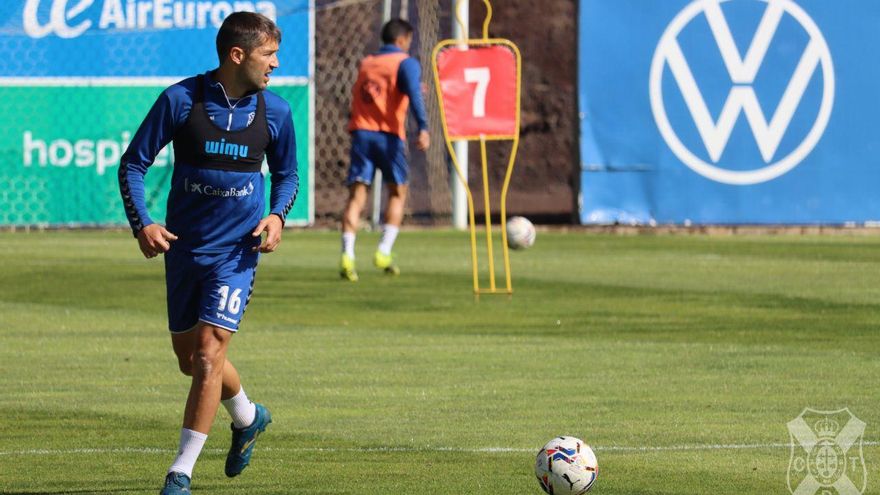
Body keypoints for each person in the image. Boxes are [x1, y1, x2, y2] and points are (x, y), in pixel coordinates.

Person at [117, 12, 298, 495]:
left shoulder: (276, 112)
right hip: (184, 249)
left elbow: (287, 176)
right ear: (237, 56)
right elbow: (133, 164)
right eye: (269, 54)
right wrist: (145, 224)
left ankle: (180, 472)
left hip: (236, 254)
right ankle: (248, 415)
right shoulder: (180, 100)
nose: (276, 64)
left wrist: (277, 215)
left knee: (208, 352)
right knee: (191, 359)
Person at [339, 18, 430, 282]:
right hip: (388, 137)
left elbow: (368, 95)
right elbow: (414, 94)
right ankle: (383, 251)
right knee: (397, 193)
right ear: (403, 40)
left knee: (356, 196)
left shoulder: (367, 63)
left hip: (361, 135)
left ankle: (347, 255)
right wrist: (423, 127)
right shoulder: (405, 62)